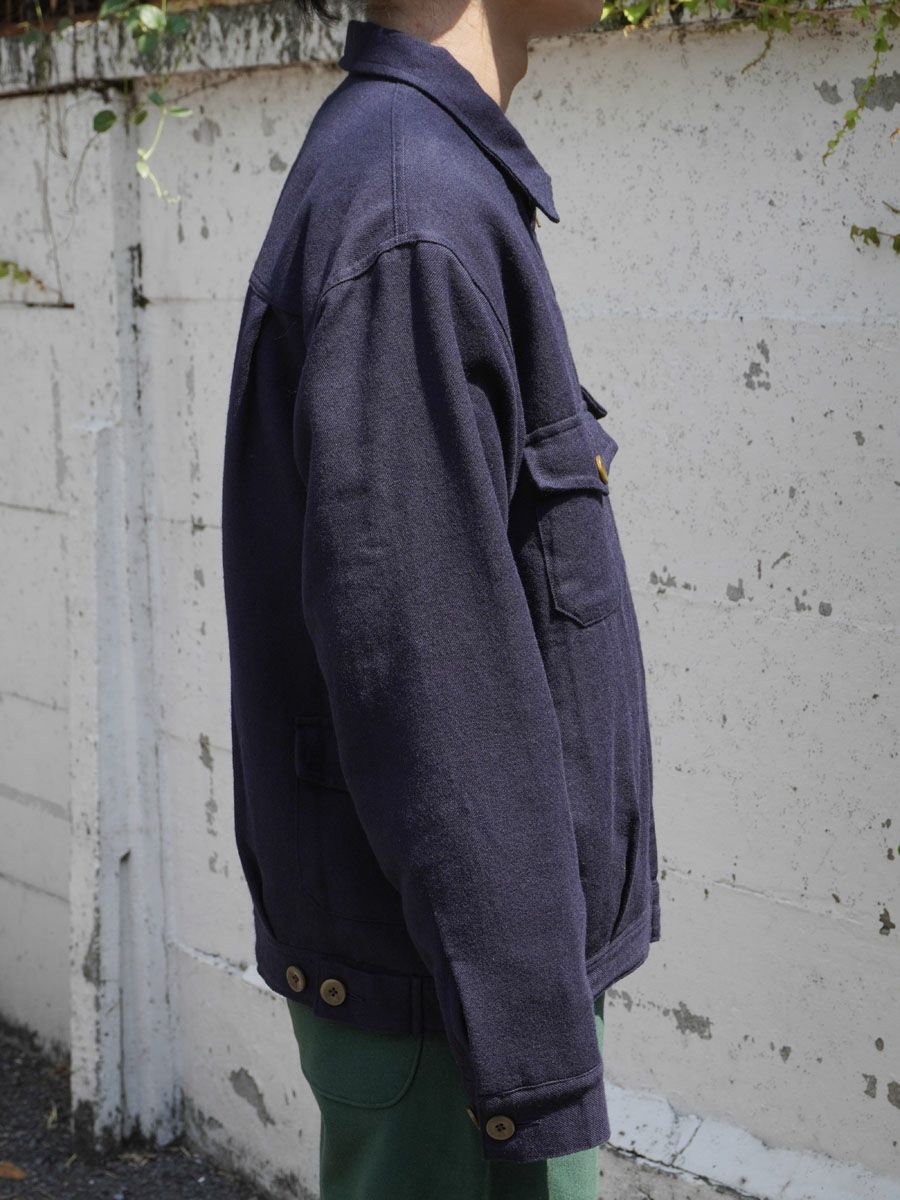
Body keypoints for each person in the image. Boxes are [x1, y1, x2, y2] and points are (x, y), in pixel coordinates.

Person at [220, 2, 661, 1196]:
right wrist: (533, 1069)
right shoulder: (410, 207)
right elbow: (430, 686)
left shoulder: (418, 176)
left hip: (465, 1000)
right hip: (461, 1027)